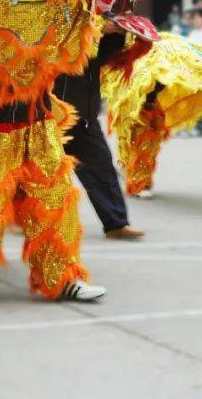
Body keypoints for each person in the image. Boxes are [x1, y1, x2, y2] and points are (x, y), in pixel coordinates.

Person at [54, 20, 145, 239]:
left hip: (83, 115)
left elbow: (104, 56)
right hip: (51, 115)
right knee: (34, 173)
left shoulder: (91, 20)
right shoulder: (56, 13)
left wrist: (120, 32)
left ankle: (116, 224)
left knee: (102, 166)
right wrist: (97, 27)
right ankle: (21, 219)